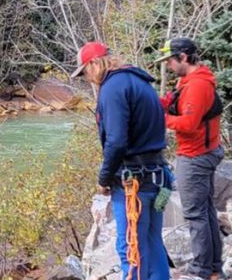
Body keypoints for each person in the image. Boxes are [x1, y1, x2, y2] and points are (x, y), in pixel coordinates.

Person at [72, 41, 171, 280]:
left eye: (85, 71)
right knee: (151, 241)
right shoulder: (140, 82)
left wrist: (104, 179)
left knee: (131, 248)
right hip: (158, 176)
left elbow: (116, 142)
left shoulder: (113, 88)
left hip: (133, 183)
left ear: (95, 64)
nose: (87, 78)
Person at [155, 38, 224, 280]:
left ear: (183, 57)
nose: (169, 66)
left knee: (196, 214)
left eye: (171, 61)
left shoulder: (196, 86)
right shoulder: (189, 82)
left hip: (195, 156)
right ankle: (214, 267)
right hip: (203, 152)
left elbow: (189, 124)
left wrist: (159, 118)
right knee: (205, 211)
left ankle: (201, 269)